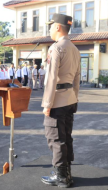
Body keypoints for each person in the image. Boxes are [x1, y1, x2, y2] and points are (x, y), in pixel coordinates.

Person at [40, 13, 81, 188]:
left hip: (57, 100)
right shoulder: (74, 48)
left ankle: (61, 177)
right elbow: (78, 77)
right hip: (70, 98)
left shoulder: (56, 48)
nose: (50, 29)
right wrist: (75, 97)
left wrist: (47, 104)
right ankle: (66, 172)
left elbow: (51, 78)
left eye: (51, 26)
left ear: (57, 27)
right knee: (66, 138)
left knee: (56, 139)